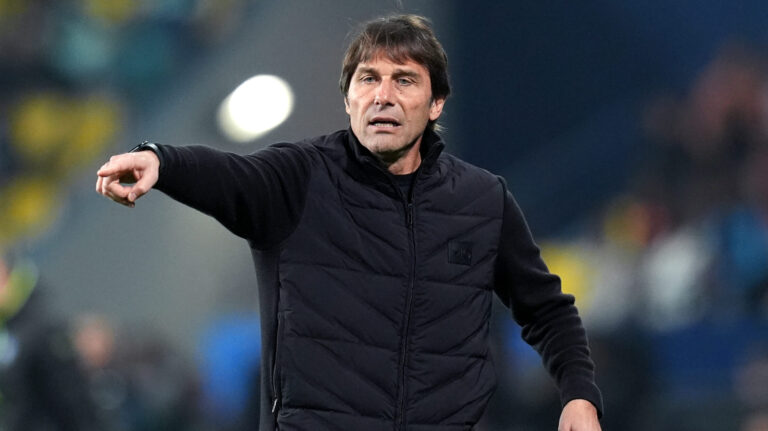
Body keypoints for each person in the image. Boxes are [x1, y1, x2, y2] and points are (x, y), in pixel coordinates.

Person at [96, 14, 603, 431]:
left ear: (436, 104)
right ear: (348, 99)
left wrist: (579, 395)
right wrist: (160, 159)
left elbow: (547, 310)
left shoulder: (482, 200)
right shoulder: (298, 178)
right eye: (368, 79)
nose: (383, 95)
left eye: (404, 80)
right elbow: (227, 175)